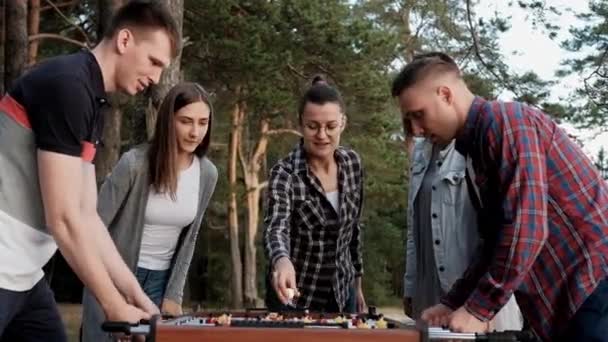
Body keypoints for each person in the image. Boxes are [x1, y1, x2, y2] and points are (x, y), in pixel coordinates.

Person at [392, 51, 608, 341]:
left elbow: (526, 231)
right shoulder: (478, 146)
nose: (417, 130)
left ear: (445, 94)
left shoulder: (506, 122)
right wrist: (453, 302)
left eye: (419, 115)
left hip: (594, 287)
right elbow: (495, 241)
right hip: (573, 300)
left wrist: (479, 310)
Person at [0, 0, 178, 340]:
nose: (156, 78)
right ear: (124, 41)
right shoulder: (68, 85)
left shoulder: (91, 98)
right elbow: (64, 219)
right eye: (154, 62)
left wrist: (138, 298)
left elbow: (86, 215)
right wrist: (112, 304)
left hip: (23, 273)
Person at [81, 82, 218, 340]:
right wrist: (107, 290)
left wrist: (173, 294)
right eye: (186, 121)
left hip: (161, 282)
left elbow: (191, 238)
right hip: (115, 277)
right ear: (168, 121)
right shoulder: (134, 164)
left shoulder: (208, 174)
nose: (195, 132)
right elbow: (90, 225)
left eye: (203, 122)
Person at [402, 117, 523, 331]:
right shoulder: (419, 154)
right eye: (410, 118)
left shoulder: (476, 150)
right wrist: (410, 287)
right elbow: (414, 228)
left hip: (473, 291)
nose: (416, 127)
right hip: (428, 290)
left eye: (420, 115)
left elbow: (502, 235)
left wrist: (485, 306)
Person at [263, 76, 366, 313]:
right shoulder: (285, 173)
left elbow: (354, 230)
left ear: (343, 123)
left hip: (343, 291)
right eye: (313, 126)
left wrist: (357, 284)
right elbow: (275, 227)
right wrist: (281, 260)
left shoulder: (353, 164)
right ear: (301, 124)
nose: (322, 135)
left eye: (330, 126)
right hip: (295, 296)